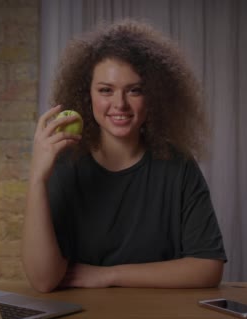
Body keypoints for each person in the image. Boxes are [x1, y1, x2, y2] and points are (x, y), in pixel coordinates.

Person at [22, 19, 227, 293]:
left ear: (154, 96)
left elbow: (208, 268)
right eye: (106, 90)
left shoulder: (178, 165)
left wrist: (108, 275)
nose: (119, 104)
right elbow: (43, 280)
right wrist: (37, 178)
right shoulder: (65, 163)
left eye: (134, 90)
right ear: (87, 95)